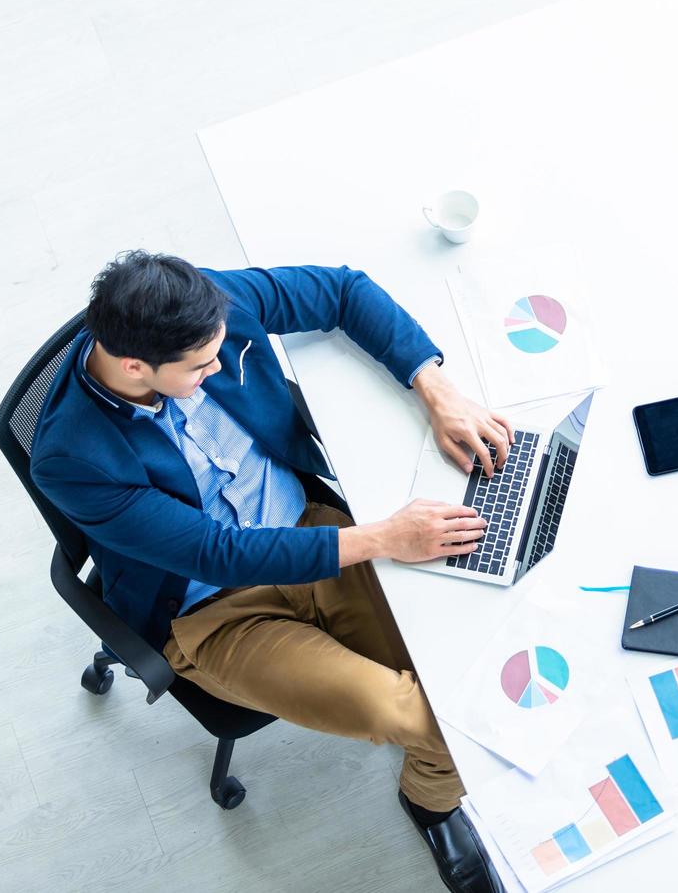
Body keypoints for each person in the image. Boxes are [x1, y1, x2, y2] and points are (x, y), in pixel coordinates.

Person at [30, 251, 510, 893]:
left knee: (456, 666)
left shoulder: (207, 308)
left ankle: (432, 782)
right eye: (201, 368)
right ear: (134, 367)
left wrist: (437, 390)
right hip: (214, 612)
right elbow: (217, 553)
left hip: (308, 528)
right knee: (429, 718)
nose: (219, 366)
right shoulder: (70, 456)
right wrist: (383, 538)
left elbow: (342, 291)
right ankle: (435, 804)